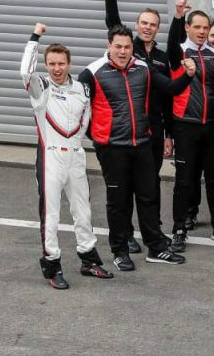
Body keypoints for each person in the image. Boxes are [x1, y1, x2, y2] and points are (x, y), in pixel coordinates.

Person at [79, 25, 196, 271]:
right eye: (118, 46)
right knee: (118, 202)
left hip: (142, 144)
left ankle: (156, 248)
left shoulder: (143, 68)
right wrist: (98, 137)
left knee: (148, 197)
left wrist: (188, 75)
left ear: (133, 47)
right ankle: (120, 251)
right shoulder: (91, 72)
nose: (123, 52)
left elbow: (171, 89)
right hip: (112, 149)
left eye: (127, 47)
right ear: (109, 45)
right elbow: (79, 111)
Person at [22, 23, 113, 288]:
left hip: (75, 155)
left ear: (69, 63)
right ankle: (53, 266)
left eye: (61, 63)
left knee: (83, 211)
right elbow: (24, 71)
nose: (57, 68)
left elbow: (86, 122)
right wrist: (35, 37)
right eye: (51, 63)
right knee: (50, 215)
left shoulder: (82, 89)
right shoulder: (40, 87)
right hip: (50, 157)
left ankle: (89, 260)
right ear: (46, 65)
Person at [103, 0, 171, 254]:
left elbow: (168, 97)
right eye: (144, 23)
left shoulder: (163, 57)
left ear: (157, 29)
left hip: (153, 130)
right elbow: (112, 23)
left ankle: (153, 231)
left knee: (150, 184)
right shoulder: (127, 49)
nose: (148, 27)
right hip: (129, 129)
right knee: (127, 184)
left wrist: (168, 134)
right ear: (137, 25)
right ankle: (127, 234)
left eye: (153, 24)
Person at [165, 0, 214, 253]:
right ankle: (179, 229)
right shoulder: (179, 51)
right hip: (186, 125)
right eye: (198, 27)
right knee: (184, 181)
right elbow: (171, 42)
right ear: (188, 28)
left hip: (212, 126)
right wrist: (178, 13)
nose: (203, 32)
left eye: (206, 28)